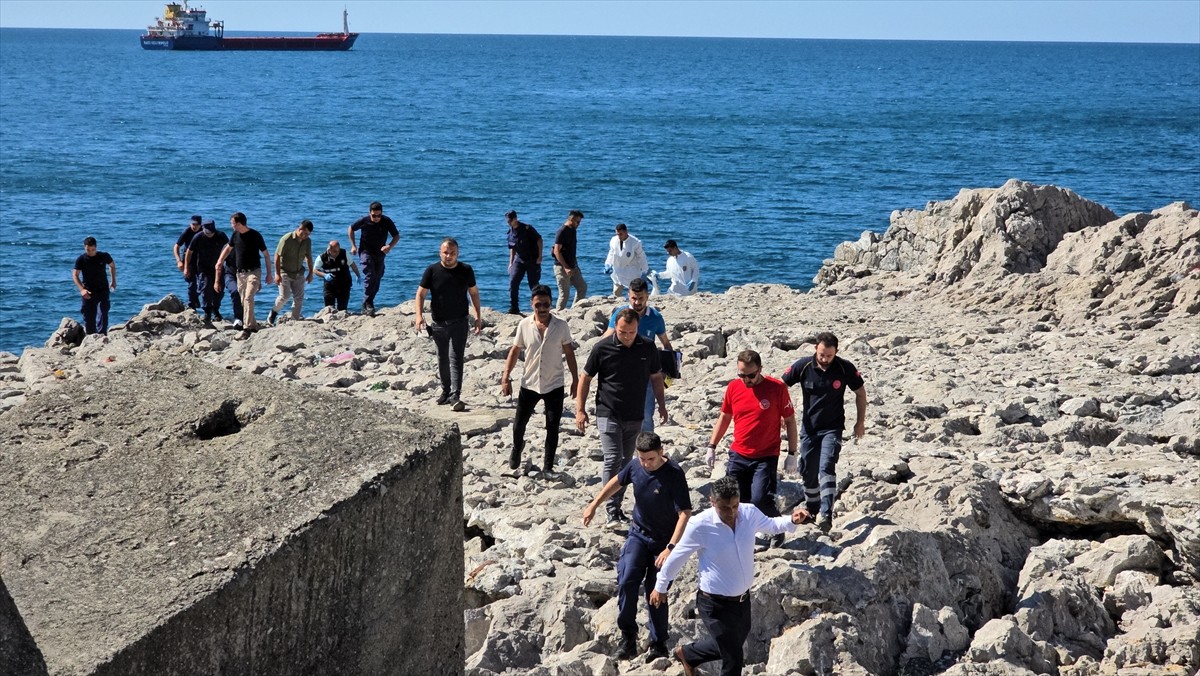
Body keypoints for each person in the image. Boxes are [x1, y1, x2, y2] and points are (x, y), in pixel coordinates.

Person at [650, 475, 810, 676]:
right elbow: (677, 557)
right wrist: (660, 586)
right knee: (733, 657)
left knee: (730, 644)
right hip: (713, 604)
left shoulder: (749, 513)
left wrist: (791, 520)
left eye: (735, 506)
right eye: (725, 508)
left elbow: (771, 525)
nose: (732, 512)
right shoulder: (700, 525)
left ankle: (689, 654)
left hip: (743, 601)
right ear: (712, 502)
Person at [583, 432, 692, 663]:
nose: (646, 464)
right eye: (642, 459)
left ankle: (658, 643)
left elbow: (685, 513)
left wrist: (671, 548)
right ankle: (628, 637)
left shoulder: (674, 474)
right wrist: (594, 504)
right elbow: (617, 481)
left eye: (650, 459)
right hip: (638, 534)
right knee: (627, 578)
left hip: (663, 542)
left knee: (656, 590)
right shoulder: (635, 466)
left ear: (661, 452)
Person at [576, 308, 667, 524]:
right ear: (615, 328)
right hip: (608, 412)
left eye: (631, 332)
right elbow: (586, 377)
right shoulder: (602, 347)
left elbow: (655, 377)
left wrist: (661, 405)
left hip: (635, 414)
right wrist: (580, 410)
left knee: (626, 463)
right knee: (613, 459)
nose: (627, 337)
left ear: (637, 329)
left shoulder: (647, 346)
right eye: (622, 332)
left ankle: (616, 508)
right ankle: (610, 509)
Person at [708, 349, 797, 550]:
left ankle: (777, 528)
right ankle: (740, 534)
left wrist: (792, 453)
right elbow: (724, 417)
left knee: (760, 499)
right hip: (739, 453)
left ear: (760, 369)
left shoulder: (776, 388)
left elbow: (790, 420)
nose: (746, 379)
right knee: (736, 499)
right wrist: (712, 446)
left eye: (750, 375)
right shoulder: (733, 388)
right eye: (741, 375)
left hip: (766, 456)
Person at [781, 332, 867, 534]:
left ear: (836, 352)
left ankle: (826, 514)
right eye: (821, 354)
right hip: (809, 429)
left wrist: (860, 422)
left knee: (826, 466)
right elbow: (780, 386)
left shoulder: (844, 368)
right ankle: (812, 508)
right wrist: (781, 415)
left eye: (829, 355)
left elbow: (860, 393)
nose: (824, 359)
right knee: (808, 471)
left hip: (833, 428)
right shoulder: (802, 367)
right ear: (815, 349)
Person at [500, 285, 578, 473]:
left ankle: (548, 467)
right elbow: (515, 350)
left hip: (554, 383)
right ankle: (517, 448)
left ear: (551, 303)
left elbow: (569, 352)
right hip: (529, 383)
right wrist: (505, 377)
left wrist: (576, 379)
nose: (542, 309)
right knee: (519, 424)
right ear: (531, 304)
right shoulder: (524, 325)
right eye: (538, 305)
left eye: (546, 304)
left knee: (552, 427)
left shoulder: (561, 326)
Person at [598, 277, 674, 433]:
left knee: (646, 416)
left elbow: (666, 343)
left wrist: (671, 368)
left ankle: (647, 451)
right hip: (621, 374)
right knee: (620, 414)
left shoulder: (655, 317)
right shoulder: (620, 315)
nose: (637, 302)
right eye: (633, 298)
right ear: (628, 296)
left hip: (646, 374)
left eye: (640, 298)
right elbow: (607, 336)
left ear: (647, 296)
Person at [415, 238, 483, 412]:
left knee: (456, 358)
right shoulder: (432, 270)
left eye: (452, 253)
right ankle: (445, 391)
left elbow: (473, 293)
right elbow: (420, 294)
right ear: (440, 253)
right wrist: (419, 316)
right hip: (438, 323)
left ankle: (455, 395)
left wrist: (477, 316)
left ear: (457, 253)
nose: (449, 256)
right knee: (441, 358)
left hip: (460, 321)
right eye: (445, 252)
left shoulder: (466, 270)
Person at [215, 212, 272, 340]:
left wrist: (269, 274)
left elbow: (266, 255)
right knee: (244, 301)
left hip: (254, 272)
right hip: (240, 274)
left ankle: (246, 329)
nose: (232, 226)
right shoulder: (235, 235)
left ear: (239, 223)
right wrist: (219, 261)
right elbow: (228, 249)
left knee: (248, 298)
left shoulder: (255, 235)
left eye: (233, 224)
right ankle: (253, 325)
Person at [347, 201, 399, 316]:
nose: (376, 218)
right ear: (369, 213)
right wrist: (353, 246)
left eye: (379, 215)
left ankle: (368, 302)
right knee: (370, 274)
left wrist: (389, 246)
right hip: (366, 251)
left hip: (380, 253)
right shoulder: (364, 220)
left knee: (378, 276)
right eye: (374, 215)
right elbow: (351, 228)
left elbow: (396, 235)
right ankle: (368, 302)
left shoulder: (386, 221)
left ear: (382, 213)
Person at [268, 220, 314, 325]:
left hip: (299, 272)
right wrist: (277, 273)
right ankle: (273, 312)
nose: (306, 236)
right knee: (284, 296)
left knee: (299, 298)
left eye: (308, 234)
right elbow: (277, 256)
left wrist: (311, 273)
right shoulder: (287, 239)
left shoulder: (307, 241)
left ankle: (295, 320)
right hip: (284, 271)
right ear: (300, 229)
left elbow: (308, 257)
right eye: (305, 233)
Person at [183, 219, 230, 323]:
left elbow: (229, 249)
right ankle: (207, 312)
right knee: (206, 289)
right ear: (203, 229)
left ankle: (216, 309)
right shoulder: (198, 237)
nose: (210, 234)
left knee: (219, 290)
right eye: (208, 232)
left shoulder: (221, 235)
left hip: (218, 267)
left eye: (212, 232)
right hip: (203, 268)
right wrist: (186, 267)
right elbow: (189, 253)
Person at [72, 236, 117, 335]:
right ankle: (91, 337)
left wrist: (113, 280)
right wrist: (82, 289)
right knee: (88, 317)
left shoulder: (104, 256)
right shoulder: (81, 259)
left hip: (103, 290)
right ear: (84, 247)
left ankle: (102, 336)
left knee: (103, 313)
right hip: (88, 291)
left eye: (92, 250)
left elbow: (112, 266)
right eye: (88, 250)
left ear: (96, 247)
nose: (90, 252)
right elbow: (75, 275)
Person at [505, 210, 543, 314]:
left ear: (515, 219)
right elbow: (512, 248)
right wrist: (511, 263)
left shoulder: (527, 229)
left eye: (510, 221)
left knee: (534, 285)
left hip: (532, 259)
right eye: (507, 221)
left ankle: (538, 306)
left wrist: (540, 256)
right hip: (519, 259)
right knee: (513, 282)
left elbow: (539, 240)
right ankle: (514, 307)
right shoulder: (511, 232)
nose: (508, 223)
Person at [552, 210, 586, 310]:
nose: (578, 224)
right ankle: (558, 315)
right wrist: (566, 267)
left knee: (582, 287)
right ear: (571, 219)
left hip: (573, 266)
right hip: (561, 267)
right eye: (577, 222)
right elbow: (556, 251)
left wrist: (575, 265)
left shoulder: (573, 230)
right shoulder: (562, 231)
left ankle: (575, 309)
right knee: (564, 294)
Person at [604, 223, 649, 297]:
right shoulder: (613, 240)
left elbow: (642, 257)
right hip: (618, 270)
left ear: (626, 232)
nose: (619, 236)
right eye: (617, 234)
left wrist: (645, 271)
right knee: (616, 292)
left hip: (631, 271)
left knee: (635, 292)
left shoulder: (635, 242)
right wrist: (608, 264)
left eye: (621, 234)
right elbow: (611, 253)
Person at [314, 240, 360, 311]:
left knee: (342, 308)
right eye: (335, 251)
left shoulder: (344, 253)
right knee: (329, 308)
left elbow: (352, 264)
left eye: (338, 251)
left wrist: (358, 275)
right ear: (329, 250)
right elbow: (315, 270)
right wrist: (324, 275)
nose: (337, 253)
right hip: (330, 285)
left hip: (344, 284)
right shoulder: (322, 257)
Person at [172, 214, 203, 311]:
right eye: (193, 224)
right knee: (191, 284)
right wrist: (179, 261)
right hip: (188, 260)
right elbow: (176, 246)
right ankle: (191, 305)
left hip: (201, 260)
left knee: (203, 284)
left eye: (196, 224)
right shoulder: (187, 231)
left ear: (200, 225)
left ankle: (195, 297)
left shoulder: (204, 231)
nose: (194, 226)